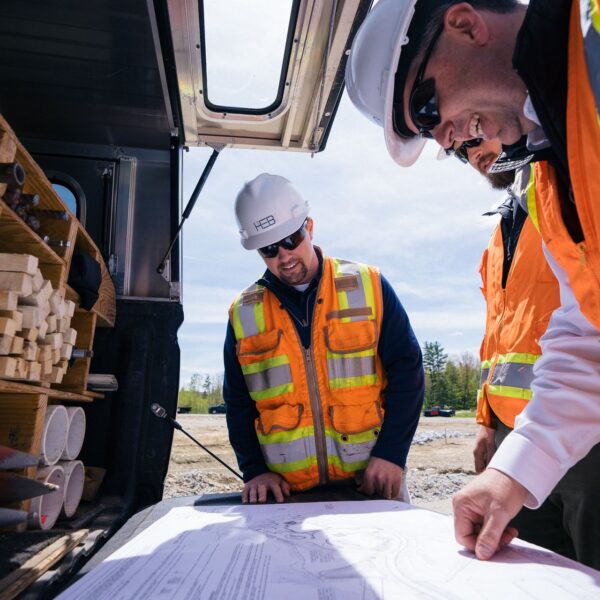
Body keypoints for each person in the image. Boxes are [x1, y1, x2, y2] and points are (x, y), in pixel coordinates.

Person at [345, 0, 600, 561]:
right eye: (426, 130)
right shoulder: (548, 180)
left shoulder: (592, 38)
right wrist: (515, 472)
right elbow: (588, 335)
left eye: (425, 106)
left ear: (464, 23)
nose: (443, 139)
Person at [223, 173, 424, 504]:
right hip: (287, 495)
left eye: (290, 240)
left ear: (309, 227)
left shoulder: (369, 286)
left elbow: (408, 372)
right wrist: (255, 470)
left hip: (372, 482)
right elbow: (238, 403)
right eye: (269, 249)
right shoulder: (243, 314)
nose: (284, 256)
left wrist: (392, 454)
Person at [460, 139, 600, 568]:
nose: (468, 151)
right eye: (459, 148)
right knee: (536, 572)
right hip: (513, 438)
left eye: (474, 133)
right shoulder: (500, 232)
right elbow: (496, 337)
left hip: (583, 438)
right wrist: (487, 423)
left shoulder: (569, 201)